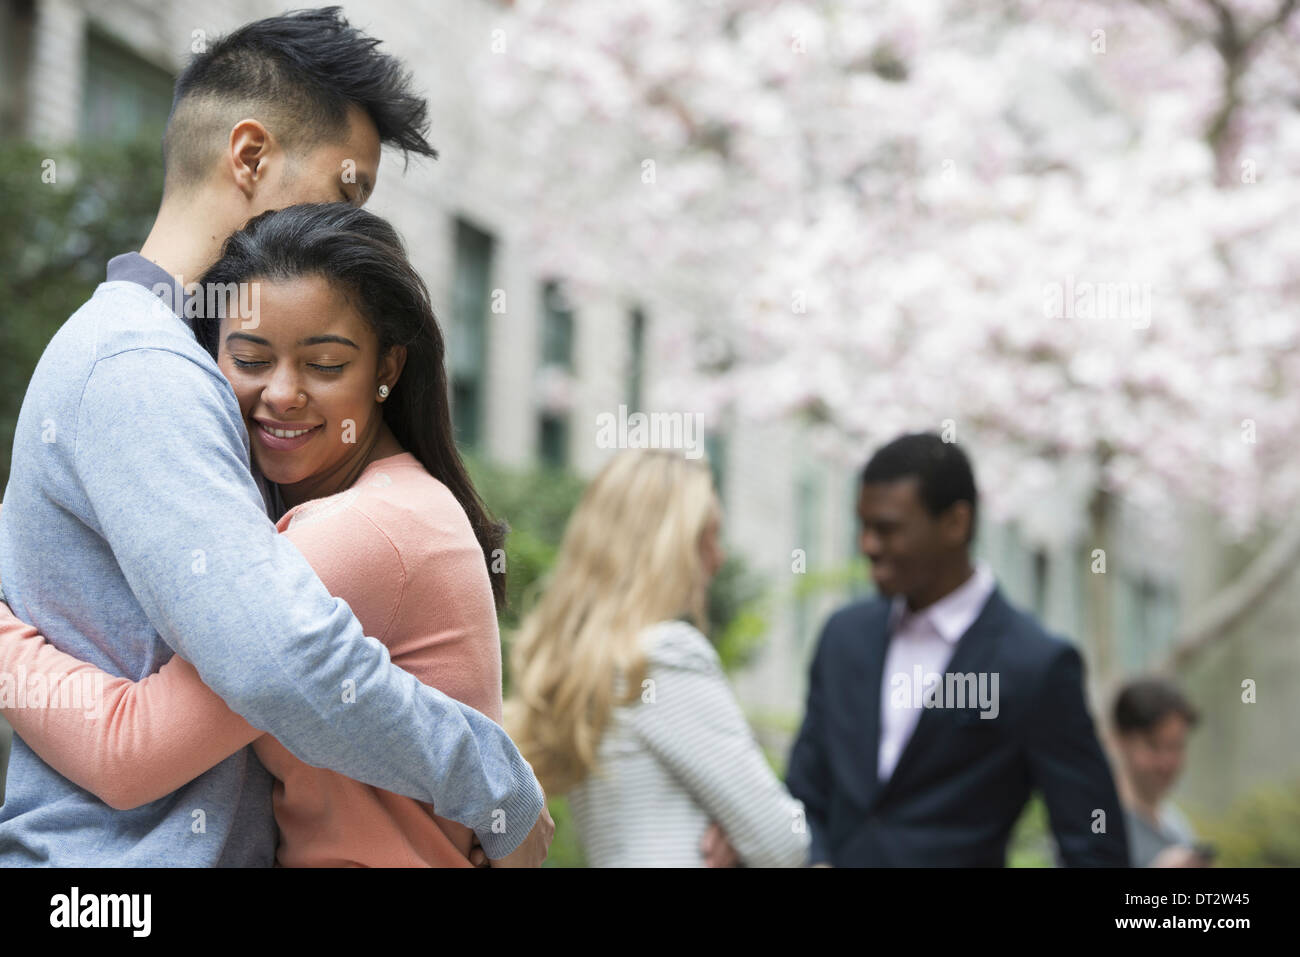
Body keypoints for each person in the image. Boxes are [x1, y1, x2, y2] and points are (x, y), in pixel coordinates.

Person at [0, 8, 550, 866]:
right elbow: (281, 659)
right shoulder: (141, 368)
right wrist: (498, 785)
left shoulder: (185, 364)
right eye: (348, 189)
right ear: (251, 157)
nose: (353, 228)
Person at [786, 432, 1128, 866]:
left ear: (955, 524)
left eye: (887, 528)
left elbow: (1094, 842)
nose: (868, 545)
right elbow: (803, 793)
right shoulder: (843, 637)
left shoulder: (1034, 665)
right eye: (864, 526)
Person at [505, 449, 809, 867]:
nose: (718, 558)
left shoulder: (592, 662)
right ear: (671, 543)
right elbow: (783, 842)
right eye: (709, 534)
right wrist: (744, 839)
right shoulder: (665, 655)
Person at [1111, 678, 1209, 867]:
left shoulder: (1177, 826)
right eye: (1153, 746)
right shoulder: (1095, 825)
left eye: (1176, 746)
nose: (1167, 762)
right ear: (1120, 740)